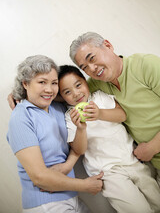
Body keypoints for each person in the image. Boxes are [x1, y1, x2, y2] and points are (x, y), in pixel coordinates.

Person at [7, 55, 104, 213]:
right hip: (45, 202)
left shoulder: (57, 108)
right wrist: (85, 185)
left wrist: (68, 165)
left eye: (53, 83)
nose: (49, 89)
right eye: (41, 82)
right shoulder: (21, 118)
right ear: (25, 83)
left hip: (70, 197)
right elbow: (39, 177)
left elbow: (73, 93)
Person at [57, 64, 160, 213]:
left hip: (132, 160)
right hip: (107, 172)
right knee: (136, 208)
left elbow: (122, 115)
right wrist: (81, 128)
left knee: (156, 200)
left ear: (85, 81)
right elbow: (80, 149)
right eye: (67, 92)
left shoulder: (99, 97)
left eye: (78, 85)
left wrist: (100, 114)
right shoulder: (70, 116)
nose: (76, 93)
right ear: (62, 97)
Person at [69, 32, 160, 186]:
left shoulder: (146, 65)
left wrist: (153, 147)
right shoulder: (98, 83)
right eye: (85, 67)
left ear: (108, 45)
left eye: (92, 58)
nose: (92, 68)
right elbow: (68, 92)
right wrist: (25, 97)